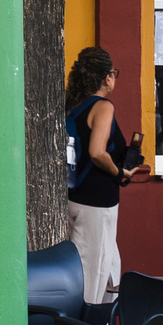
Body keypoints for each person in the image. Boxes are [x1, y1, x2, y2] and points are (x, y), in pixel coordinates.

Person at [64, 46, 134, 306]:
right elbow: (96, 152)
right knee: (92, 276)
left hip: (76, 197)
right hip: (97, 203)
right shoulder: (103, 106)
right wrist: (120, 173)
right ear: (107, 77)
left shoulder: (73, 106)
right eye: (114, 74)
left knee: (110, 269)